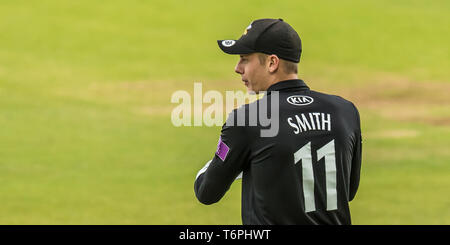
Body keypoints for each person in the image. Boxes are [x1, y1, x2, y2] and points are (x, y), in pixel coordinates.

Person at [194, 18, 362, 225]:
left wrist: (223, 164)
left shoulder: (248, 119)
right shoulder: (345, 110)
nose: (238, 68)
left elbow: (206, 192)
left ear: (272, 63)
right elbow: (348, 190)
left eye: (245, 59)